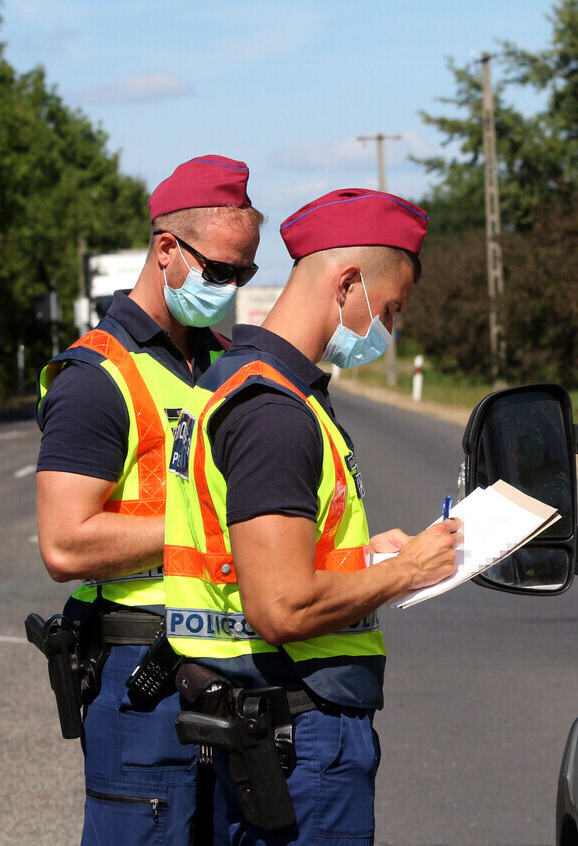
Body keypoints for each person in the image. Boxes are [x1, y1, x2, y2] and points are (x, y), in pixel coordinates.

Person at [163, 188, 461, 845]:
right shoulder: (276, 413)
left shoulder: (237, 384)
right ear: (349, 283)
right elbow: (282, 607)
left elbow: (256, 560)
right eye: (390, 310)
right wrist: (405, 570)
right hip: (296, 738)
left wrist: (364, 560)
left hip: (259, 721)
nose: (390, 328)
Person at [34, 154, 263, 845]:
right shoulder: (95, 377)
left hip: (236, 666)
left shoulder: (229, 366)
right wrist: (216, 523)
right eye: (219, 270)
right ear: (167, 249)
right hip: (145, 679)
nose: (229, 287)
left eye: (243, 273)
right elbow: (65, 544)